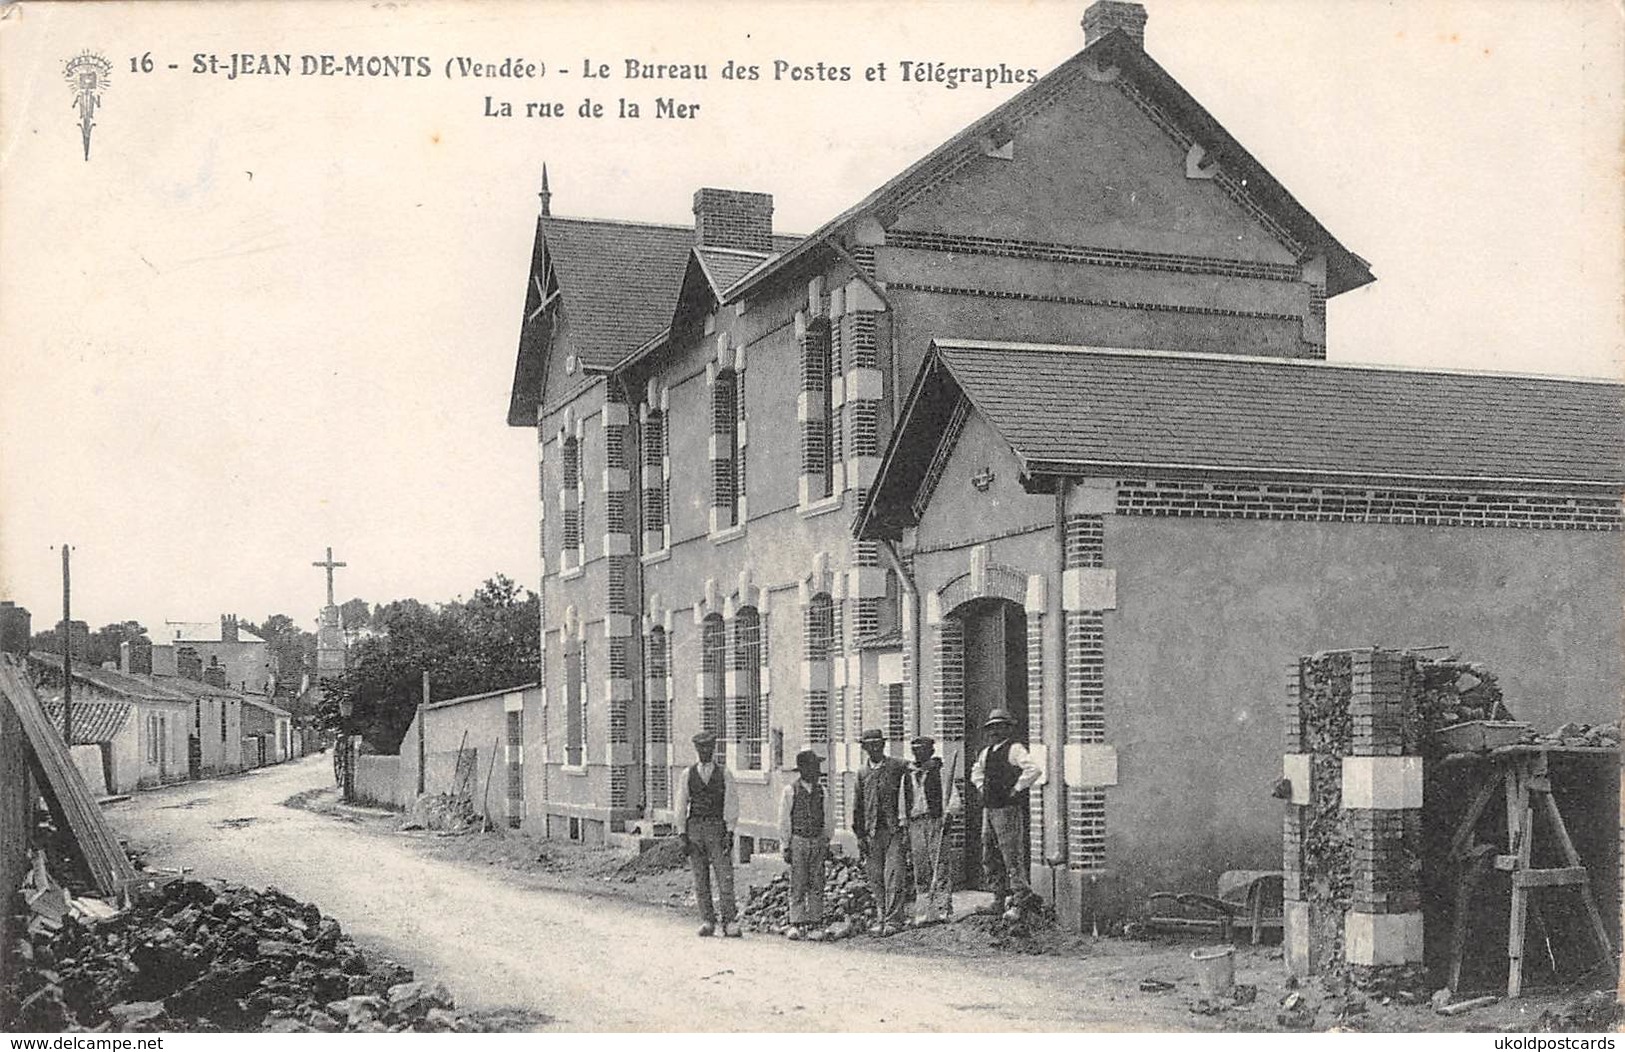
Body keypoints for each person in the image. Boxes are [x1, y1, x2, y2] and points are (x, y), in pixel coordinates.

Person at [969, 709, 1044, 916]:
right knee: (989, 854)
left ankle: (1021, 900)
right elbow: (976, 771)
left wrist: (1017, 788)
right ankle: (998, 898)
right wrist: (981, 786)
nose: (995, 731)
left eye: (999, 726)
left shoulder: (1015, 749)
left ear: (1007, 728)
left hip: (1007, 810)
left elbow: (1034, 769)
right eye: (992, 727)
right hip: (989, 809)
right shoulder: (986, 752)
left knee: (1011, 855)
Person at [673, 730, 741, 937]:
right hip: (695, 828)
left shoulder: (724, 774)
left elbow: (731, 803)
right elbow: (681, 804)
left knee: (724, 876)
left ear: (713, 749)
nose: (704, 752)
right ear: (696, 750)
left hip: (716, 828)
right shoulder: (688, 774)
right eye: (701, 748)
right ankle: (707, 920)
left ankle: (729, 921)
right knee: (700, 877)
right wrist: (682, 834)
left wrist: (729, 830)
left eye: (708, 748)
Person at [852, 728, 909, 935]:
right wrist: (859, 835)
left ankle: (894, 920)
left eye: (879, 744)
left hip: (893, 830)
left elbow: (917, 768)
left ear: (884, 745)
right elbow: (857, 807)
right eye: (871, 745)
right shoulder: (862, 773)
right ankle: (881, 916)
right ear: (865, 748)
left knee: (894, 874)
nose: (875, 748)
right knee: (876, 877)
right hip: (871, 833)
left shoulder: (898, 766)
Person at [898, 735, 960, 926]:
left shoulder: (939, 773)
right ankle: (924, 911)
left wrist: (949, 815)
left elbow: (953, 797)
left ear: (931, 751)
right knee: (921, 867)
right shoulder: (908, 775)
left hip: (935, 821)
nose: (919, 753)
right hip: (916, 824)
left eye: (923, 749)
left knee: (940, 864)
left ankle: (943, 909)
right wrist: (904, 824)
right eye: (915, 750)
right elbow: (902, 802)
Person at [776, 748, 834, 940]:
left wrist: (826, 840)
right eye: (813, 767)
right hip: (798, 840)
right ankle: (797, 922)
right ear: (802, 769)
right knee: (798, 882)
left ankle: (816, 922)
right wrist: (786, 845)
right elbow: (784, 820)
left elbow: (827, 818)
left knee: (817, 882)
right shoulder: (790, 791)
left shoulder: (822, 791)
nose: (817, 771)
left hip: (817, 840)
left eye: (818, 767)